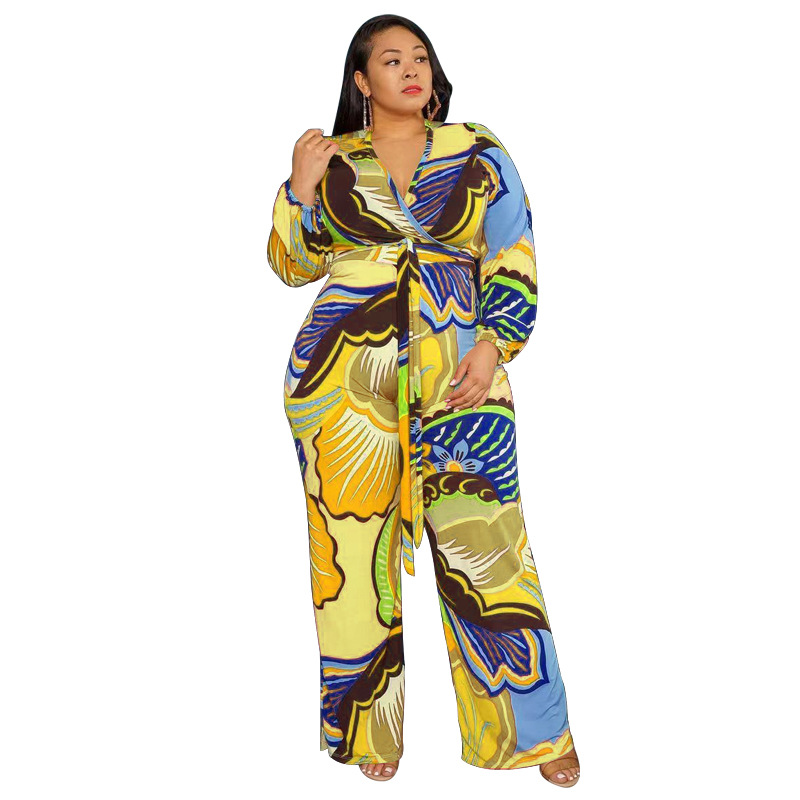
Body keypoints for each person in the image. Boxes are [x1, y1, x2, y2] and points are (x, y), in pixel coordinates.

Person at [267, 14, 580, 786]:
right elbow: (291, 265)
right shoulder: (334, 158)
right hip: (343, 386)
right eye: (391, 60)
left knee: (490, 552)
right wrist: (297, 189)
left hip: (461, 375)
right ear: (360, 81)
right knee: (350, 558)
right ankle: (367, 728)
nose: (412, 70)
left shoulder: (477, 149)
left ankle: (535, 734)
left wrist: (495, 341)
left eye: (421, 58)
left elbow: (512, 247)